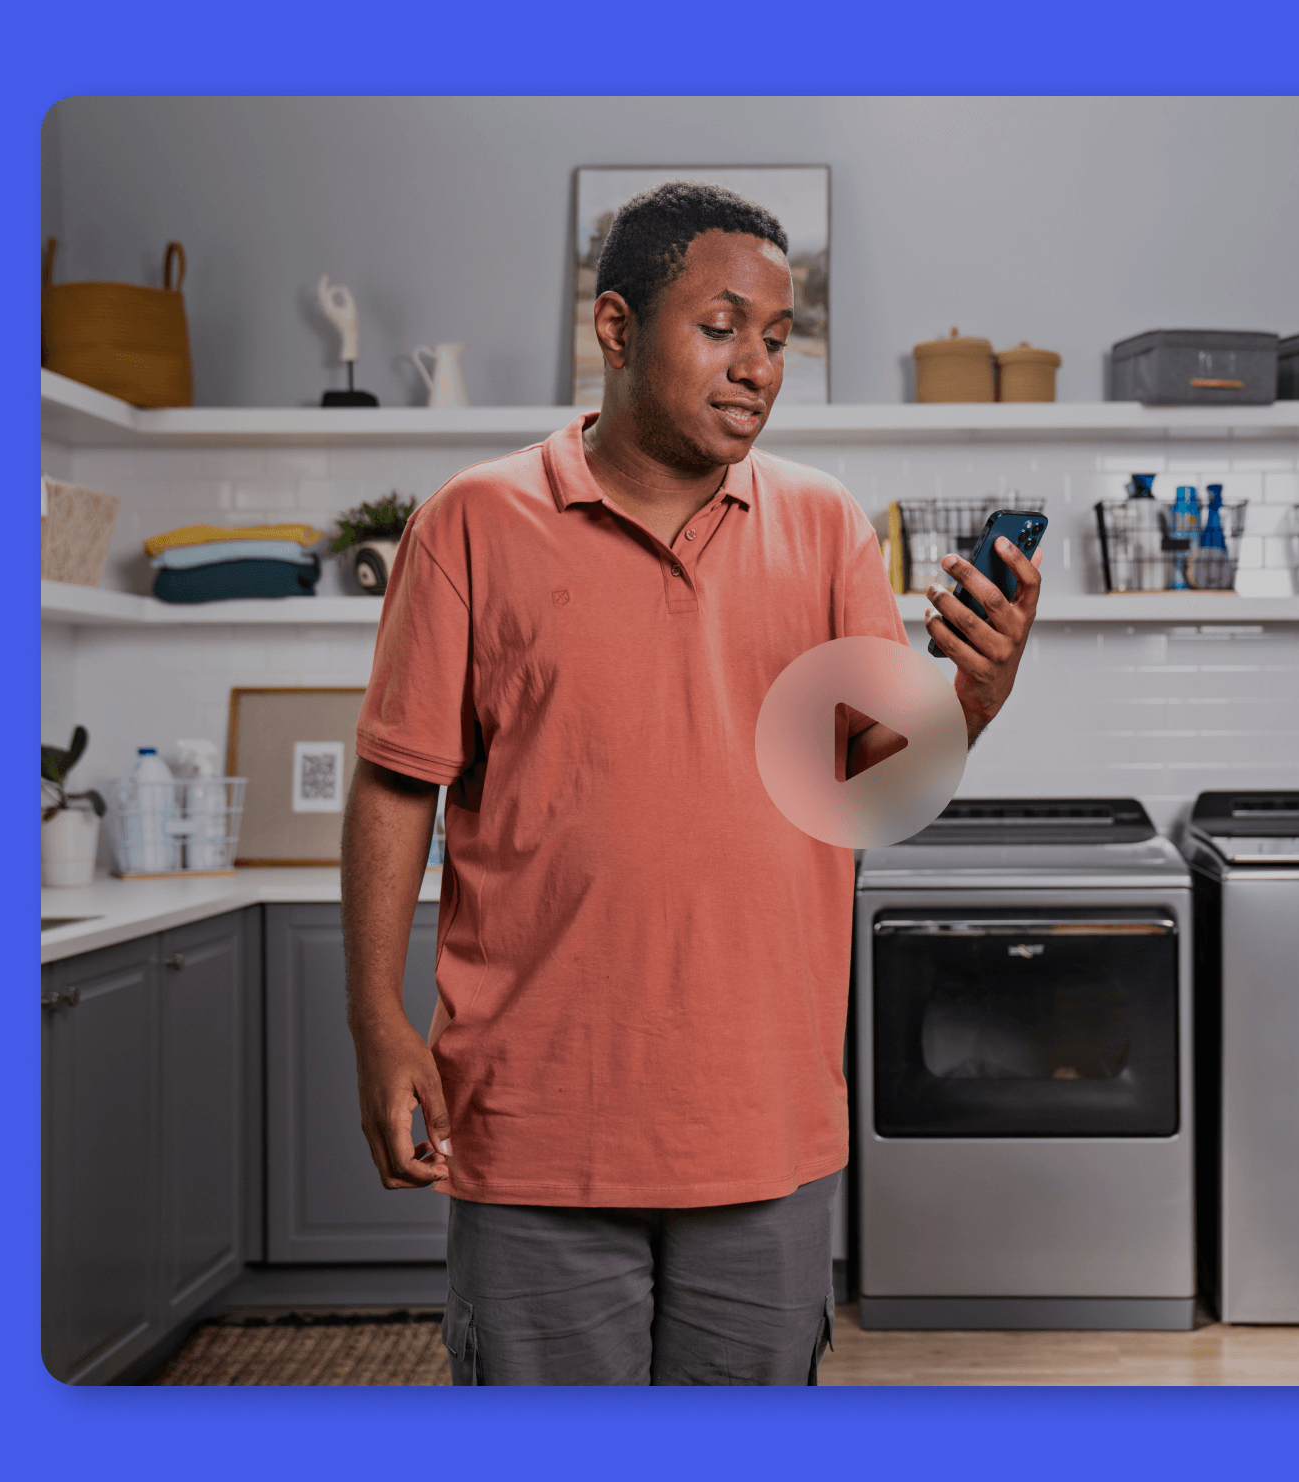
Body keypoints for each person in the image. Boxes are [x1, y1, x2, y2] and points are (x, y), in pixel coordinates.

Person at [341, 181, 1042, 1386]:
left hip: (760, 1119)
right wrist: (376, 1020)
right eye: (721, 329)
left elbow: (860, 786)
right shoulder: (472, 524)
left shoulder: (825, 528)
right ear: (616, 329)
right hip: (537, 1120)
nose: (757, 368)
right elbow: (398, 788)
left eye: (776, 339)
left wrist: (971, 698)